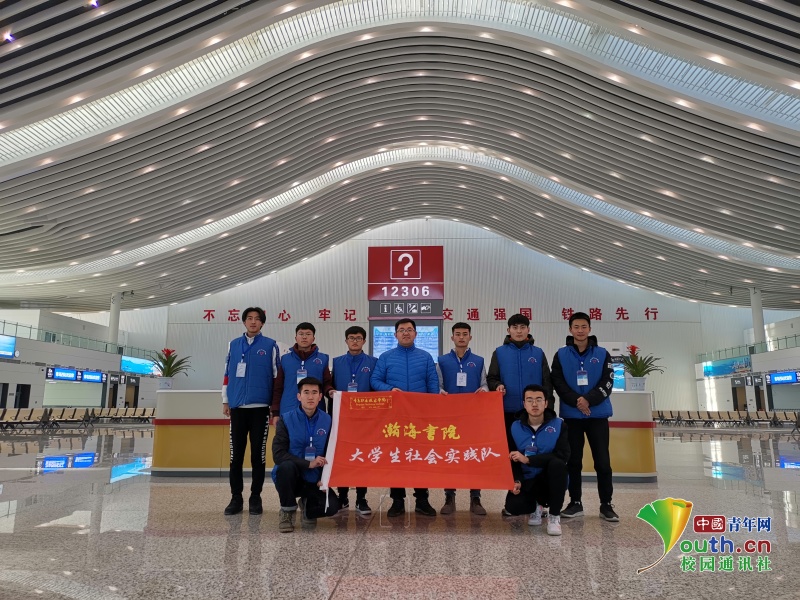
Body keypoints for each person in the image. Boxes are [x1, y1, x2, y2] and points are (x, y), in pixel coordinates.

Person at [551, 312, 618, 521]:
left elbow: (608, 381)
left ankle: (606, 504)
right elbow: (557, 381)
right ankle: (575, 502)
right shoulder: (561, 354)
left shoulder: (602, 353)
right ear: (570, 329)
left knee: (603, 462)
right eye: (576, 327)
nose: (580, 330)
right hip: (572, 416)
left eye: (583, 326)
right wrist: (577, 401)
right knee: (573, 462)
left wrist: (588, 400)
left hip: (597, 415)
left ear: (589, 328)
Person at [370, 318, 440, 517]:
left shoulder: (425, 357)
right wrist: (390, 389)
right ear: (395, 335)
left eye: (409, 329)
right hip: (395, 417)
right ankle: (397, 500)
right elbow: (375, 380)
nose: (406, 333)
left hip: (420, 417)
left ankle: (422, 500)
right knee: (396, 458)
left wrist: (432, 412)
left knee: (419, 458)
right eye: (402, 330)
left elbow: (433, 384)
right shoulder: (386, 357)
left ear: (416, 334)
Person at [221, 307, 281, 516]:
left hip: (260, 409)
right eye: (249, 318)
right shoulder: (233, 345)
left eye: (257, 319)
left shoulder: (270, 345)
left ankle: (256, 497)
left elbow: (276, 377)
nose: (253, 322)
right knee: (236, 456)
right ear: (244, 322)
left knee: (258, 456)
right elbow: (227, 373)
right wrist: (226, 400)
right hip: (237, 408)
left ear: (262, 323)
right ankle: (235, 498)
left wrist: (274, 407)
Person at [272, 377, 341, 532]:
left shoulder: (328, 420)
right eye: (306, 392)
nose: (310, 397)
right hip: (292, 477)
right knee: (285, 467)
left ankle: (307, 506)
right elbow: (278, 454)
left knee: (332, 507)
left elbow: (332, 452)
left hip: (314, 479)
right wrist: (308, 464)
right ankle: (287, 511)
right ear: (299, 396)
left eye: (314, 393)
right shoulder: (286, 419)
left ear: (320, 396)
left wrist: (325, 478)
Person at [436, 322, 489, 516]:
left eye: (465, 334)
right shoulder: (442, 361)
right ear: (452, 337)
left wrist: (484, 390)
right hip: (449, 417)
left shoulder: (479, 361)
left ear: (470, 337)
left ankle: (475, 498)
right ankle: (449, 497)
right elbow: (437, 385)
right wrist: (439, 391)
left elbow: (485, 384)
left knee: (473, 456)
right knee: (451, 457)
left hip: (473, 417)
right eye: (457, 334)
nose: (461, 337)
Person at [505, 384, 570, 535]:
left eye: (539, 400)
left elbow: (563, 455)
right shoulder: (514, 427)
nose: (534, 404)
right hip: (527, 479)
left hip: (549, 479)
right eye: (530, 400)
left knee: (558, 465)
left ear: (546, 403)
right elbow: (511, 457)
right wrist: (517, 480)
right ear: (524, 404)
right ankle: (536, 507)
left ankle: (554, 516)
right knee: (514, 507)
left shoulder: (559, 425)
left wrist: (528, 460)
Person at [486, 313, 553, 449]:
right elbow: (492, 378)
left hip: (534, 412)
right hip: (507, 411)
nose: (519, 331)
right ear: (508, 330)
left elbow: (547, 382)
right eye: (515, 327)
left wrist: (548, 409)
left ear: (528, 329)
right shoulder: (499, 352)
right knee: (510, 449)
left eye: (522, 327)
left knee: (533, 449)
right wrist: (497, 385)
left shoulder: (538, 353)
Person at [330, 325, 377, 516]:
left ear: (364, 341)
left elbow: (376, 388)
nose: (355, 341)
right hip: (342, 418)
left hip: (365, 420)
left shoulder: (373, 362)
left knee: (361, 458)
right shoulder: (337, 362)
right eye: (351, 338)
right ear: (346, 341)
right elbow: (330, 386)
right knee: (343, 457)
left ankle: (361, 498)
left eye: (358, 338)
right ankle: (342, 497)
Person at [273, 322, 333, 417]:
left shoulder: (322, 359)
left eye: (308, 334)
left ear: (313, 338)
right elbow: (278, 387)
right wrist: (275, 412)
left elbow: (327, 383)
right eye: (301, 334)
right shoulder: (285, 359)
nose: (304, 337)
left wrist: (330, 391)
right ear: (296, 338)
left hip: (314, 410)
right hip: (289, 408)